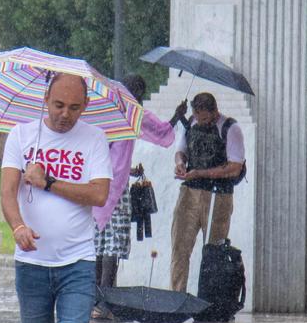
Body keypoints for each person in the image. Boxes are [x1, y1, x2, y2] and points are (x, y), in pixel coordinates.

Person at [1, 71, 111, 323]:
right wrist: (17, 226)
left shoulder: (94, 139)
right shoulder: (21, 135)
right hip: (31, 261)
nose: (66, 114)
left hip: (77, 258)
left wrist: (49, 182)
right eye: (59, 105)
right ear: (46, 100)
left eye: (75, 107)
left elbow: (99, 194)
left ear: (86, 106)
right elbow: (7, 192)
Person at [93, 73, 183, 289]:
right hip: (116, 189)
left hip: (95, 183)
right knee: (113, 244)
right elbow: (161, 132)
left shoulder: (104, 110)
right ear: (139, 93)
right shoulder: (133, 113)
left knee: (98, 242)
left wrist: (129, 170)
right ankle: (106, 300)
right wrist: (177, 115)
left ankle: (93, 297)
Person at [168, 91, 245, 293]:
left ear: (215, 112)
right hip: (189, 193)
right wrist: (180, 164)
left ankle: (211, 300)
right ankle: (177, 294)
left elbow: (235, 166)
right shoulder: (191, 123)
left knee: (214, 252)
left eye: (205, 119)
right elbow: (180, 150)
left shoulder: (230, 128)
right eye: (198, 117)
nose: (201, 122)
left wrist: (201, 172)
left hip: (218, 195)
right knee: (180, 247)